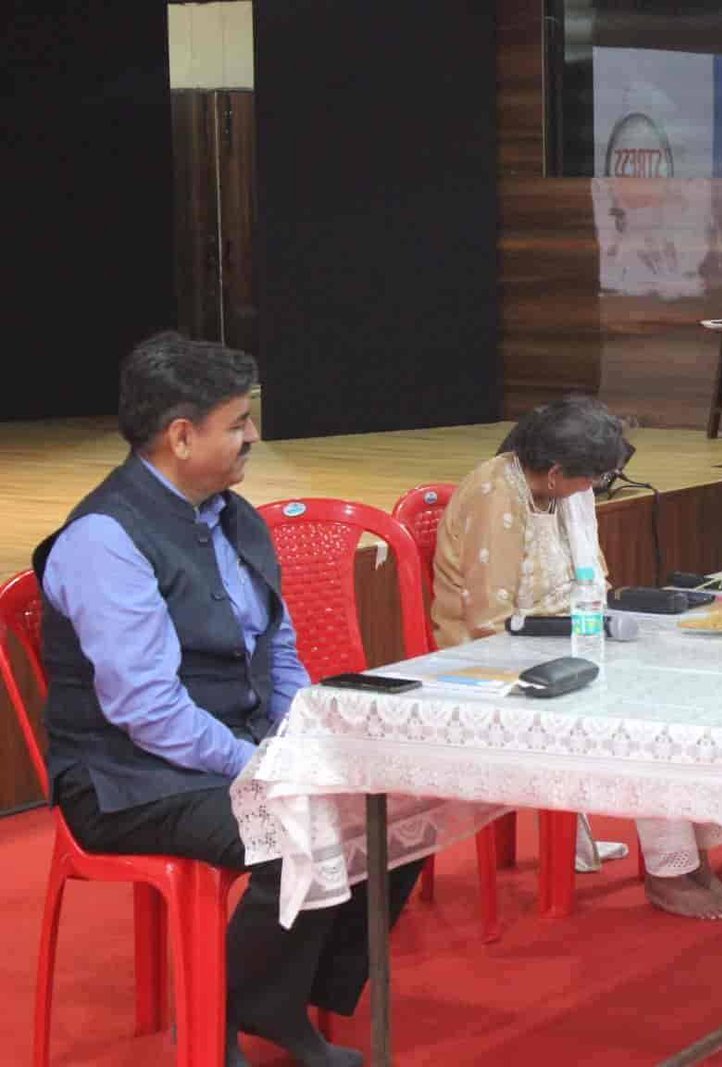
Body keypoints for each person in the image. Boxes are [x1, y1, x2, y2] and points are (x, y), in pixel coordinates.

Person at [36, 332, 414, 1067]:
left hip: (223, 750)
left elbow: (278, 648)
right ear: (182, 436)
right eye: (239, 423)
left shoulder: (232, 514)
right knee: (307, 817)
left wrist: (300, 735)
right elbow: (148, 710)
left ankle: (276, 1000)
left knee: (390, 800)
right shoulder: (105, 540)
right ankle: (222, 1018)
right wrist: (263, 763)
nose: (254, 437)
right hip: (127, 777)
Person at [430, 395, 722, 921]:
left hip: (557, 640)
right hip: (491, 661)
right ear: (557, 472)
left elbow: (587, 588)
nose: (595, 489)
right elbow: (491, 623)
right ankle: (668, 873)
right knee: (643, 709)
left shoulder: (555, 491)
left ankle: (690, 861)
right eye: (594, 479)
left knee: (682, 686)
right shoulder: (496, 495)